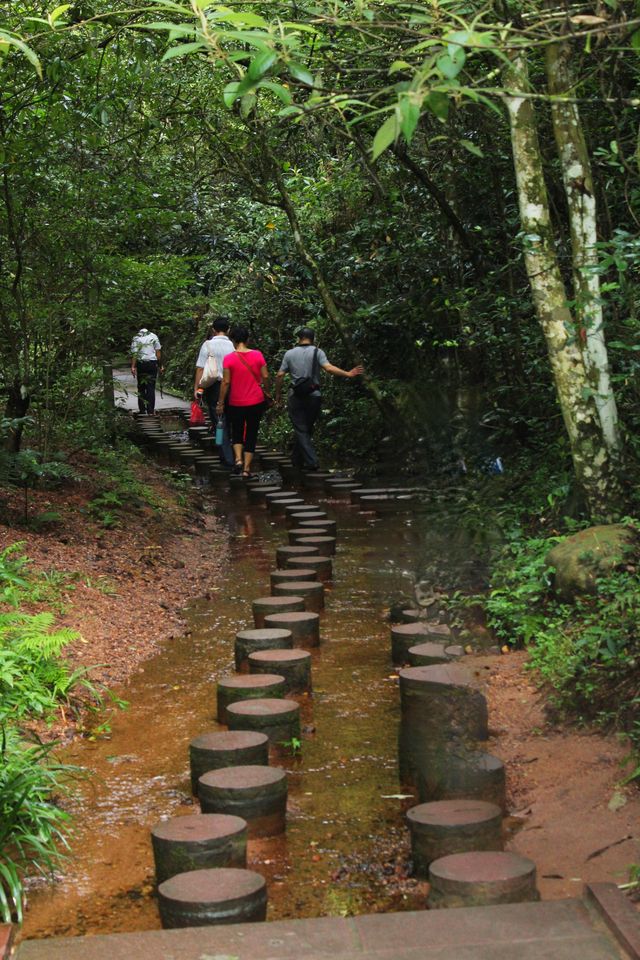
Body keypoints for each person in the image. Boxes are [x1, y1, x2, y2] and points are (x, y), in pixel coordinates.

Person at [275, 327, 364, 471]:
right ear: (313, 338)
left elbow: (279, 375)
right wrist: (348, 373)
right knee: (306, 429)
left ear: (299, 338)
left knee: (301, 429)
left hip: (295, 396)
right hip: (313, 396)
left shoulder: (289, 353)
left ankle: (311, 461)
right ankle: (297, 460)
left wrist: (278, 395)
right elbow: (329, 368)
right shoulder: (318, 352)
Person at [216, 324, 269, 477]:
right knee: (252, 433)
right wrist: (267, 391)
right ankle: (246, 469)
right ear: (248, 339)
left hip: (236, 402)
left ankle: (238, 460)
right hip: (256, 401)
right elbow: (265, 376)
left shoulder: (229, 358)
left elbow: (225, 382)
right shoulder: (258, 355)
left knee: (237, 432)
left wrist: (220, 402)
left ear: (233, 339)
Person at [194, 316, 235, 467]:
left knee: (217, 421)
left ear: (213, 330)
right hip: (230, 386)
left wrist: (198, 388)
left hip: (213, 387)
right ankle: (225, 453)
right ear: (228, 330)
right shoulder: (233, 346)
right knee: (227, 420)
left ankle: (225, 456)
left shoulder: (208, 344)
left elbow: (200, 367)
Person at [131, 327, 163, 414]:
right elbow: (158, 352)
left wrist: (133, 366)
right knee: (151, 387)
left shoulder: (136, 338)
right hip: (152, 363)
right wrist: (160, 365)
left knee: (141, 387)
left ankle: (142, 410)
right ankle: (150, 410)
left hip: (141, 364)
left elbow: (135, 353)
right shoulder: (154, 336)